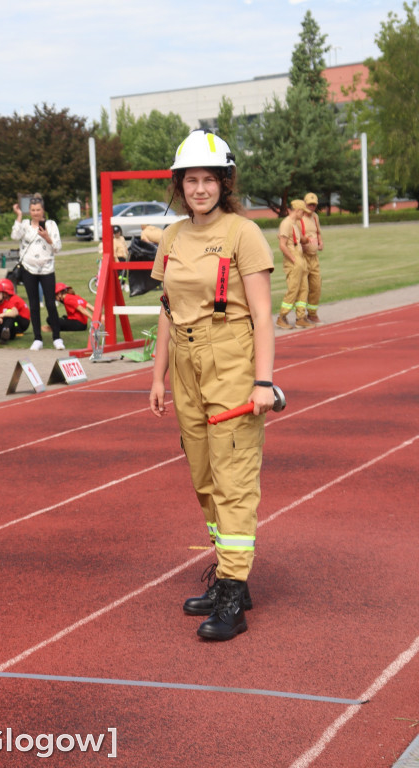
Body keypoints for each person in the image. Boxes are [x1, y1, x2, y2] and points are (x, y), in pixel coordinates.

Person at [149, 130, 275, 642]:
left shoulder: (244, 232)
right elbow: (165, 309)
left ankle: (232, 597)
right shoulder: (174, 235)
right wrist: (155, 374)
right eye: (190, 179)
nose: (200, 188)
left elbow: (264, 317)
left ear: (225, 183)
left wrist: (263, 381)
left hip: (230, 359)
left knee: (234, 477)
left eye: (209, 179)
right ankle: (230, 576)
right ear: (180, 185)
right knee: (203, 473)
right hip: (183, 361)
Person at [11, 195, 64, 351]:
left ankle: (57, 337)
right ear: (30, 211)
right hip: (29, 269)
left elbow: (58, 247)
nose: (35, 213)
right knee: (33, 305)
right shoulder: (25, 225)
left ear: (43, 210)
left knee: (50, 304)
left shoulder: (51, 224)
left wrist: (47, 238)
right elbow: (15, 236)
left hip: (47, 269)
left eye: (38, 210)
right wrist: (19, 216)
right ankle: (37, 338)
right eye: (33, 210)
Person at [275, 200, 315, 330]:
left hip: (300, 259)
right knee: (293, 289)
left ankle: (300, 318)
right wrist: (293, 259)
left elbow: (298, 240)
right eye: (303, 212)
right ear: (297, 210)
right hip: (293, 261)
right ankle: (282, 317)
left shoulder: (294, 224)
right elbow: (282, 245)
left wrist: (307, 239)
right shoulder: (286, 224)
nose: (303, 214)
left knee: (304, 288)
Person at [0, 279, 30, 344]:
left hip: (10, 331)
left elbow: (15, 312)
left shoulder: (9, 302)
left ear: (3, 294)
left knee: (9, 317)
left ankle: (5, 333)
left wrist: (1, 315)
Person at [302, 192, 324, 324]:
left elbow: (318, 233)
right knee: (302, 287)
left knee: (316, 285)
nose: (312, 207)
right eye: (310, 204)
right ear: (305, 203)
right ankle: (300, 315)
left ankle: (312, 313)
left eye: (314, 205)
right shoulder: (299, 218)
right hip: (303, 257)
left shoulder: (315, 217)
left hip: (314, 257)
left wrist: (320, 242)